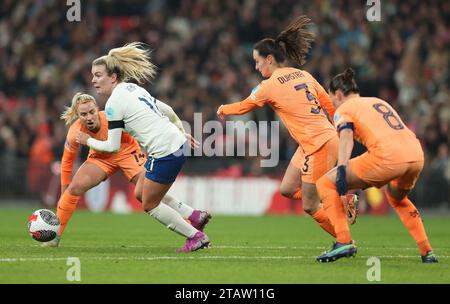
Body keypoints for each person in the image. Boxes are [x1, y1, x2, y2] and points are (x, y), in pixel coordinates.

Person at [217, 15, 357, 237]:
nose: (256, 66)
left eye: (257, 61)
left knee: (310, 205)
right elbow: (331, 107)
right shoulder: (304, 75)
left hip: (317, 144)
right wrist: (343, 131)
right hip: (320, 139)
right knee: (287, 189)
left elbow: (244, 106)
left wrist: (223, 109)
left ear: (269, 59)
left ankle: (345, 238)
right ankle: (341, 201)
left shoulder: (269, 85)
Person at [76, 42, 211, 252]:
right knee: (141, 191)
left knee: (149, 204)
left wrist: (87, 141)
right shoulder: (132, 87)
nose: (93, 80)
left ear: (113, 77)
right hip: (175, 144)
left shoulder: (113, 104)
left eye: (98, 75)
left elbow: (112, 146)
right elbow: (163, 108)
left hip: (166, 152)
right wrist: (179, 129)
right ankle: (194, 215)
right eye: (92, 75)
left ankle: (195, 236)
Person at [44, 92, 211, 250]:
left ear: (97, 108)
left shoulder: (112, 117)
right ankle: (55, 236)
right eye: (83, 114)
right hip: (100, 158)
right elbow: (67, 162)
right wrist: (64, 190)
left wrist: (177, 133)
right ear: (77, 115)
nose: (89, 117)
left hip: (128, 151)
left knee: (146, 193)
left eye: (91, 112)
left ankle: (192, 220)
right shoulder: (75, 132)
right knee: (74, 188)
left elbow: (148, 123)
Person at [315, 68, 438, 263]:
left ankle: (343, 240)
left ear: (338, 95)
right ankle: (427, 251)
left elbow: (346, 137)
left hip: (387, 157)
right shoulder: (378, 101)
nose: (333, 105)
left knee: (324, 183)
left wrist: (341, 169)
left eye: (332, 100)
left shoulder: (344, 109)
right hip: (415, 155)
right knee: (397, 199)